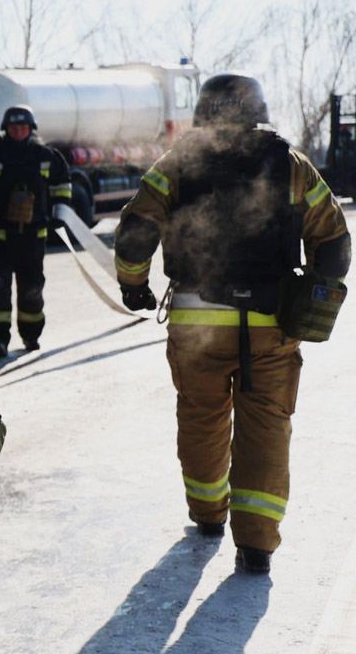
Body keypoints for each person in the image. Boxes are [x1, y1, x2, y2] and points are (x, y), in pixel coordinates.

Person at [114, 73, 350, 575]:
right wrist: (314, 297)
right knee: (266, 423)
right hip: (271, 322)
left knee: (201, 415)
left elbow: (136, 230)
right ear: (257, 110)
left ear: (203, 112)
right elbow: (334, 242)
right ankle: (258, 544)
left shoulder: (177, 163)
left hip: (196, 320)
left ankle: (206, 513)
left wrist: (134, 284)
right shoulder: (290, 164)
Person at [0, 106, 72, 357]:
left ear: (31, 129)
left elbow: (62, 183)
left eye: (23, 128)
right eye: (13, 128)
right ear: (5, 130)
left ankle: (31, 336)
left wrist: (60, 213)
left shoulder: (46, 156)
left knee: (32, 289)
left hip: (32, 238)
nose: (18, 131)